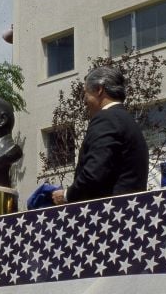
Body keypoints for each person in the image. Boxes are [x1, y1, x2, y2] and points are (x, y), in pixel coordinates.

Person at [51, 66, 149, 205]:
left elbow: (95, 172)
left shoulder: (107, 119)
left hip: (108, 217)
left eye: (85, 94)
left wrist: (67, 195)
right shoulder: (128, 122)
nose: (84, 101)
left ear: (99, 89)